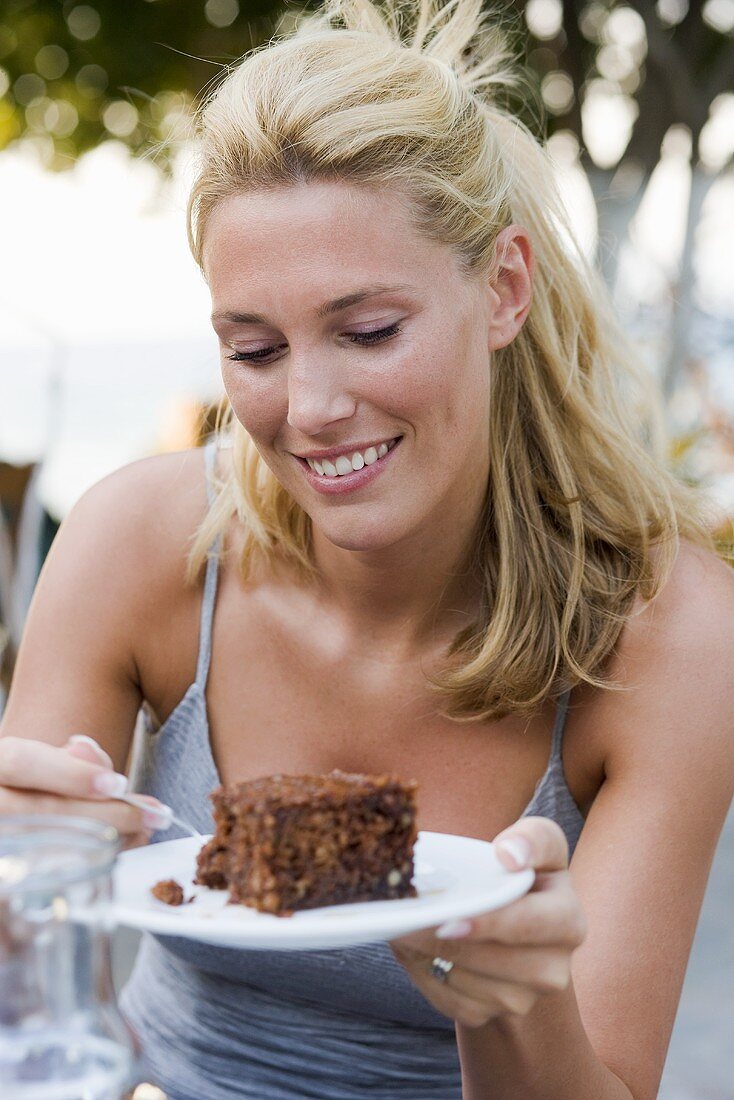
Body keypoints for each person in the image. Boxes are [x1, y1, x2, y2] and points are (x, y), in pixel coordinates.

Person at [1, 0, 733, 1096]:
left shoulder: (666, 634)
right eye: (252, 347)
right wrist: (16, 874)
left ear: (502, 287)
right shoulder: (139, 543)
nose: (310, 405)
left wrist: (508, 992)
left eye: (368, 330)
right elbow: (27, 989)